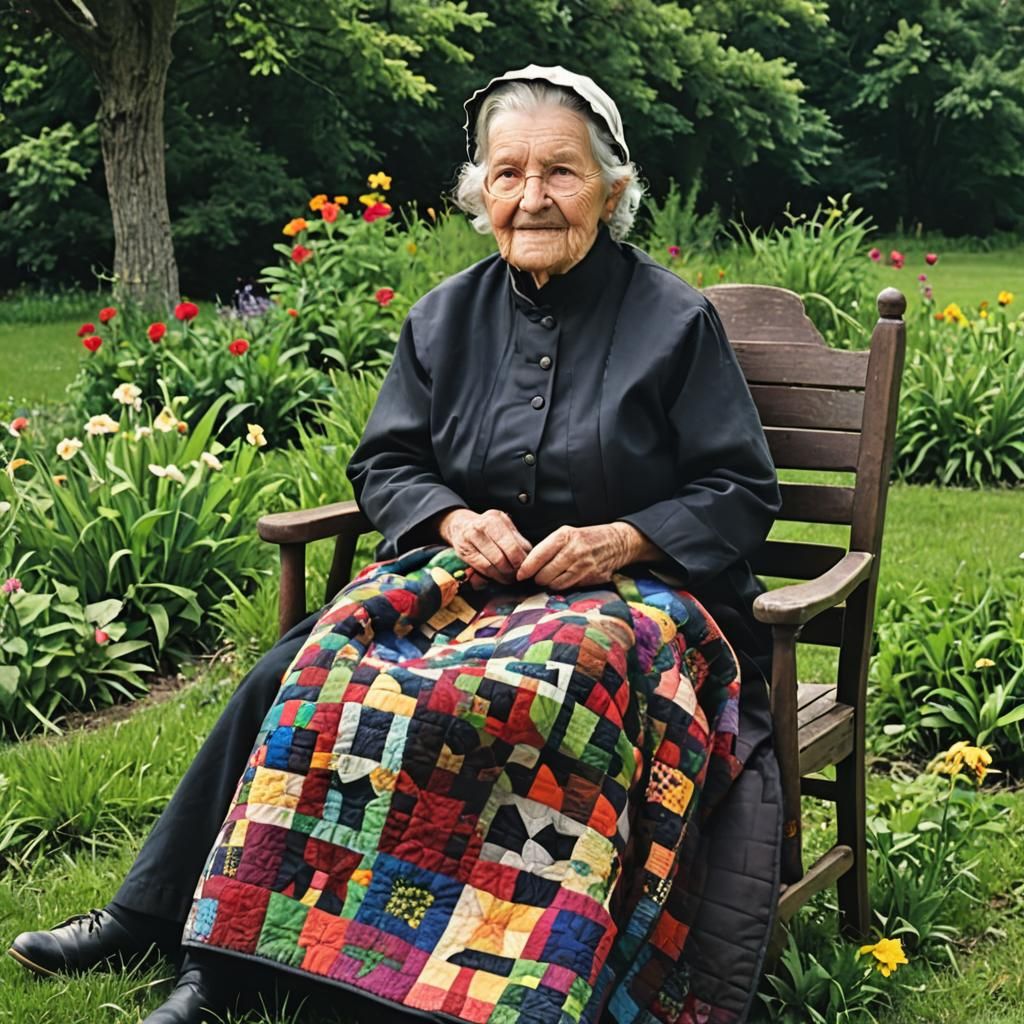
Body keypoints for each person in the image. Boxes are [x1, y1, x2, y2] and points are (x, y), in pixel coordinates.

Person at [9, 66, 783, 1024]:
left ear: (614, 189)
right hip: (468, 585)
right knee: (306, 669)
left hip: (628, 607)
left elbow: (740, 491)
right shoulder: (446, 317)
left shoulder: (676, 322)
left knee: (544, 688)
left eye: (562, 173)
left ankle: (469, 974)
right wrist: (456, 520)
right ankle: (188, 942)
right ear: (480, 193)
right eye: (508, 174)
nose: (532, 197)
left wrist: (619, 540)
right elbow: (388, 465)